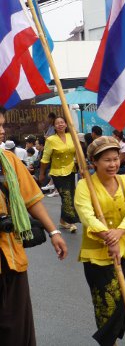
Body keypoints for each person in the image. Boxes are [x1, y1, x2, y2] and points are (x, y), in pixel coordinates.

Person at [0, 106, 68, 345]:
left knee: (18, 327)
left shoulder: (8, 161)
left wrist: (54, 231)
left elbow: (31, 198)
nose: (2, 131)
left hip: (11, 254)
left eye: (2, 125)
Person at [74, 136, 125, 346]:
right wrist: (106, 235)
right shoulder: (85, 186)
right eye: (107, 160)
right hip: (96, 255)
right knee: (106, 303)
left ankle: (109, 338)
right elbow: (86, 214)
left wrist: (118, 232)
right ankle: (109, 342)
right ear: (94, 162)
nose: (113, 164)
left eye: (115, 159)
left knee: (122, 301)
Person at [39, 116, 80, 233]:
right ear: (54, 126)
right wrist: (42, 174)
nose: (60, 124)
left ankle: (63, 221)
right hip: (57, 173)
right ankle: (71, 222)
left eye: (62, 122)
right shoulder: (50, 140)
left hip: (71, 170)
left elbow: (78, 153)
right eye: (57, 123)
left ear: (66, 124)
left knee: (70, 195)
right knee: (66, 196)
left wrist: (81, 167)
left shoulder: (72, 136)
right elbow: (45, 159)